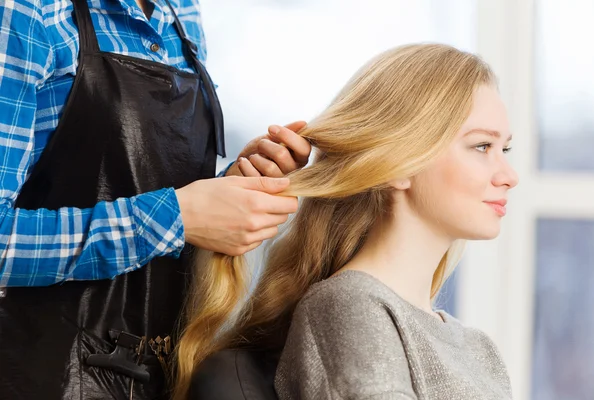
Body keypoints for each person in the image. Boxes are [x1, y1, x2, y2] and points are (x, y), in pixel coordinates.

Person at [0, 0, 310, 399]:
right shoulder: (28, 10)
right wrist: (178, 217)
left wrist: (233, 185)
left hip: (162, 375)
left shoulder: (183, 12)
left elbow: (141, 181)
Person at [175, 43, 519, 400]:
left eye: (504, 149)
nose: (509, 176)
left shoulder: (479, 350)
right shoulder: (350, 307)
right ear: (399, 163)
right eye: (482, 147)